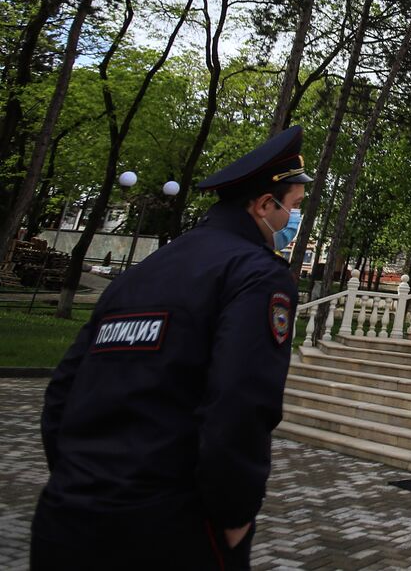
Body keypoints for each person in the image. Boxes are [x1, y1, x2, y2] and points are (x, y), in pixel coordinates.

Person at [31, 126, 313, 571]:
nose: (293, 221)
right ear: (264, 205)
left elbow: (64, 388)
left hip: (66, 517)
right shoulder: (257, 274)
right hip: (169, 528)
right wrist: (235, 515)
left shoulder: (146, 270)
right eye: (293, 207)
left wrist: (76, 478)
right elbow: (240, 402)